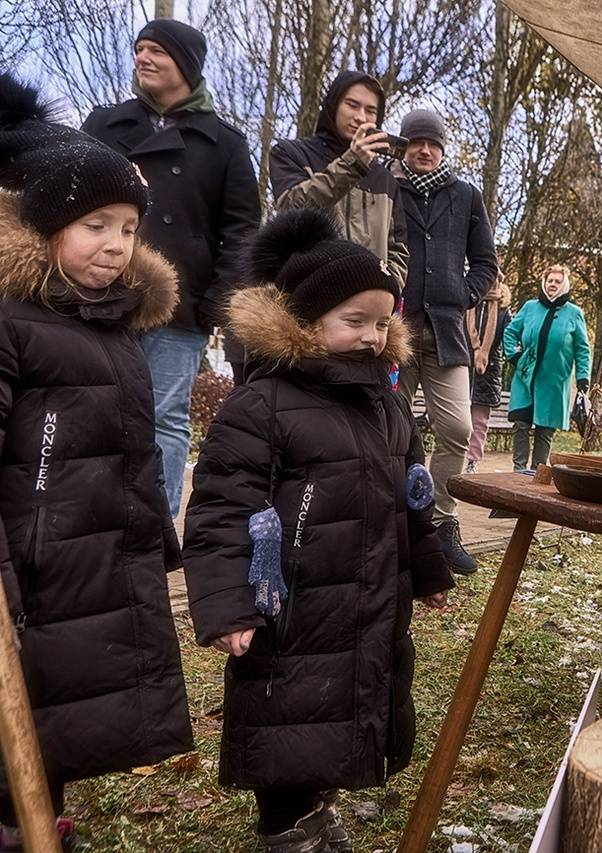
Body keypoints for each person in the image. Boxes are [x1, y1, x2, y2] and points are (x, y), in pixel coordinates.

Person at [182, 210, 452, 852]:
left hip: (363, 603)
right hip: (290, 607)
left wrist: (431, 569)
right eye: (353, 321)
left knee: (347, 706)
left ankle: (317, 810)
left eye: (381, 322)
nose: (371, 336)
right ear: (306, 323)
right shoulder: (262, 404)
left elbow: (409, 497)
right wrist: (226, 605)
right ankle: (286, 826)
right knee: (289, 716)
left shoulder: (384, 406)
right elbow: (221, 506)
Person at [0, 75, 193, 849]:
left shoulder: (112, 323)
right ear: (44, 227)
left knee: (64, 714)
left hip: (94, 563)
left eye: (128, 227)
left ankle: (43, 821)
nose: (115, 245)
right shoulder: (13, 321)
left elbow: (126, 445)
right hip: (31, 565)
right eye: (94, 225)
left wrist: (148, 535)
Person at [81, 18, 262, 515]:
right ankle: (92, 517)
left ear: (186, 63)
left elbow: (242, 230)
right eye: (139, 49)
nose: (142, 58)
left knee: (164, 415)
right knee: (96, 407)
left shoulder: (226, 143)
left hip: (180, 306)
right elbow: (69, 200)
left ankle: (155, 528)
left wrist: (216, 302)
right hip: (98, 292)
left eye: (156, 50)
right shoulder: (103, 124)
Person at [390, 108, 499, 574]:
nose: (425, 150)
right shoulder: (387, 189)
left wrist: (463, 294)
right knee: (390, 430)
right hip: (393, 330)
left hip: (447, 333)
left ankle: (441, 523)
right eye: (416, 142)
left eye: (432, 143)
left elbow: (486, 262)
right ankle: (392, 526)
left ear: (442, 148)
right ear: (404, 147)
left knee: (456, 427)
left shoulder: (466, 195)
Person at [268, 70, 408, 288]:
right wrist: (353, 164)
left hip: (369, 303)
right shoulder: (291, 153)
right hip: (308, 294)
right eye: (352, 105)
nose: (361, 117)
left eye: (371, 111)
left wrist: (388, 290)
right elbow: (290, 208)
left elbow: (398, 249)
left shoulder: (386, 179)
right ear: (334, 105)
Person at [503, 265, 590, 471]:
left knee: (545, 430)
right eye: (549, 280)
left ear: (565, 285)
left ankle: (537, 472)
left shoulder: (574, 313)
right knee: (521, 424)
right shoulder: (530, 307)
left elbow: (583, 349)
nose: (552, 284)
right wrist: (514, 356)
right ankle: (518, 472)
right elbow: (509, 332)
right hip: (525, 377)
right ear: (544, 283)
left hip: (554, 382)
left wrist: (583, 378)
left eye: (557, 281)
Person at [465, 275, 512, 473]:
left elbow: (510, 338)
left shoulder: (503, 312)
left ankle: (472, 460)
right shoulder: (468, 306)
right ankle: (459, 455)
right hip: (464, 366)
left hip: (489, 370)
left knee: (479, 421)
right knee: (461, 418)